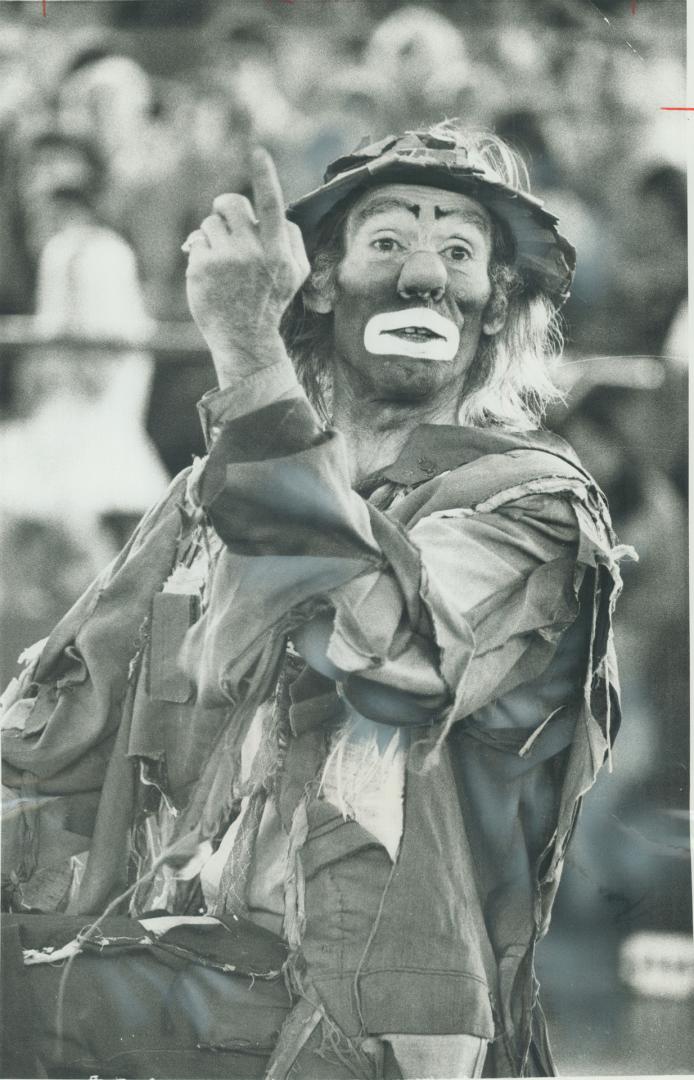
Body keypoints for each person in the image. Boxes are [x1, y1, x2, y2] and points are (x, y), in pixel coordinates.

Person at [1, 122, 630, 1080]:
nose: (425, 278)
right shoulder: (214, 495)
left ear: (495, 304)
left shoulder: (527, 503)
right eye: (389, 243)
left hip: (358, 1034)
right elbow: (45, 741)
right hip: (163, 984)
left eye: (459, 253)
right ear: (324, 283)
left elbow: (392, 658)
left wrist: (249, 355)